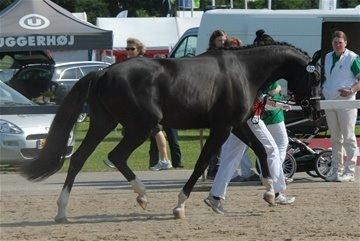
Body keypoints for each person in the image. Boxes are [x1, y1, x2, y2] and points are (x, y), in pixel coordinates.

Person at [204, 30, 295, 214]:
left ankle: (215, 196)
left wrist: (271, 103)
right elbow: (254, 97)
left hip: (240, 118)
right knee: (270, 149)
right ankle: (276, 191)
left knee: (231, 156)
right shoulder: (250, 67)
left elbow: (257, 96)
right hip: (248, 117)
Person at [104, 38, 172, 170]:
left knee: (156, 130)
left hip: (147, 102)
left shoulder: (143, 63)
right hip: (136, 103)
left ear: (139, 50)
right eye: (127, 48)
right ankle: (120, 157)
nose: (128, 51)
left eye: (132, 49)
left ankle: (165, 159)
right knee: (139, 131)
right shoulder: (129, 63)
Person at [322, 30, 360, 182]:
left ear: (345, 43)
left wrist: (351, 90)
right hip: (330, 100)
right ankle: (335, 170)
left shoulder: (352, 57)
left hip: (346, 101)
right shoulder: (327, 57)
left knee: (349, 137)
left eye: (340, 42)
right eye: (335, 42)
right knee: (335, 138)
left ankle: (349, 171)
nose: (338, 45)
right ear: (332, 43)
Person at [205, 29, 229, 180]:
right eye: (220, 40)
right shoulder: (211, 56)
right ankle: (213, 167)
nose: (222, 43)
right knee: (217, 137)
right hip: (213, 100)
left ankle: (218, 168)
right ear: (214, 41)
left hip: (226, 99)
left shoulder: (227, 55)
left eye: (224, 40)